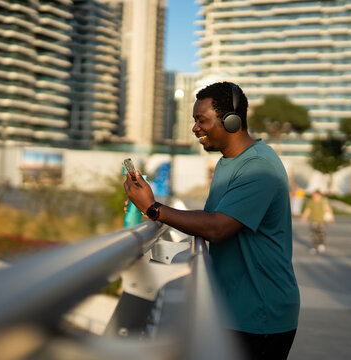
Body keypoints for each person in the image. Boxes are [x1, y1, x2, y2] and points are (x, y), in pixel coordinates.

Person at [124, 82, 300, 360]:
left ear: (232, 121)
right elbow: (207, 221)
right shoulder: (228, 163)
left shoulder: (258, 167)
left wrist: (154, 208)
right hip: (234, 310)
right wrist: (149, 206)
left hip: (260, 314)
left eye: (201, 120)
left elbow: (218, 228)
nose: (195, 128)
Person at [300, 190, 334, 254]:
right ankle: (314, 246)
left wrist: (332, 217)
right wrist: (304, 218)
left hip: (322, 221)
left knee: (321, 233)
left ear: (319, 195)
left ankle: (321, 244)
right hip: (313, 220)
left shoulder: (324, 201)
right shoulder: (311, 202)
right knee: (313, 234)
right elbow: (308, 210)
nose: (313, 196)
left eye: (315, 195)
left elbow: (329, 209)